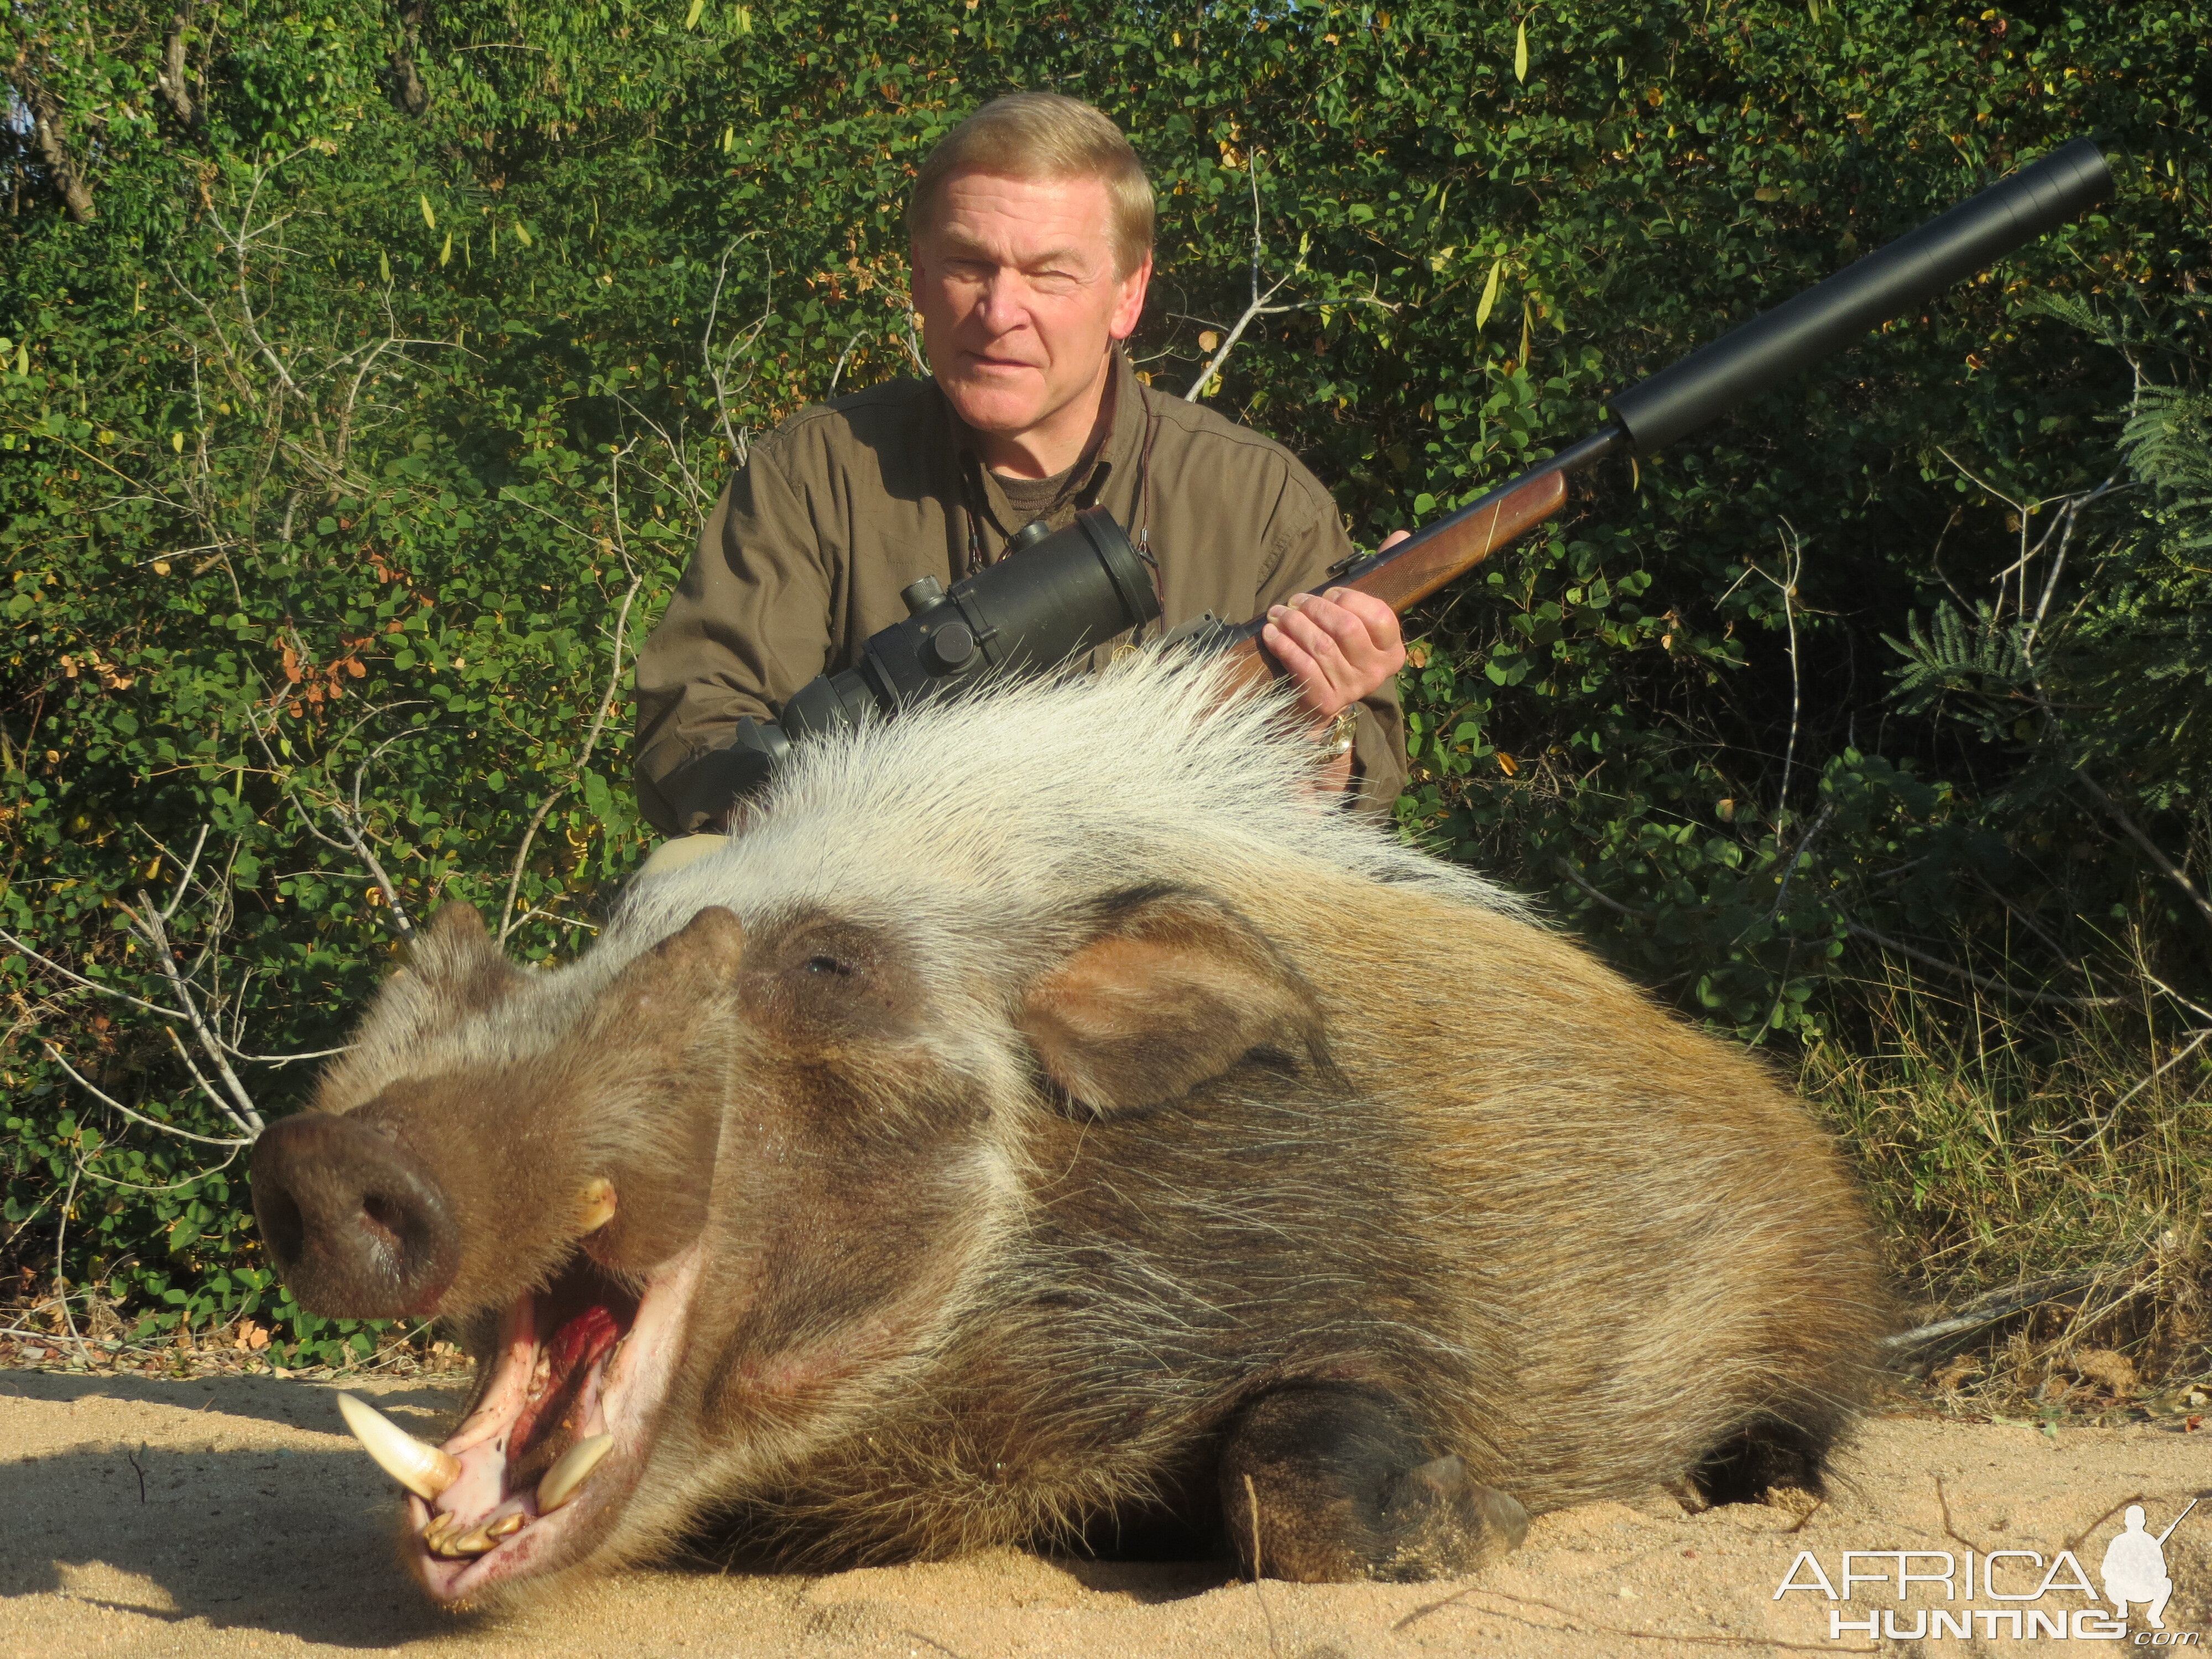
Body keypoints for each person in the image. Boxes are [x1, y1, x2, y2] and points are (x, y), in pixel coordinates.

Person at [633, 92, 1410, 835]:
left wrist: (1321, 729)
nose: (1000, 313)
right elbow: (694, 733)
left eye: (1049, 273)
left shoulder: (1260, 504)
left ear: (1127, 296)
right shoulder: (816, 472)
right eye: (969, 265)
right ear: (919, 279)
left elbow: (1362, 797)